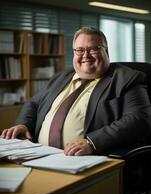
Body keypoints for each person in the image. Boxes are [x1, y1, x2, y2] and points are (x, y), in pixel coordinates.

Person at [1, 26, 151, 156]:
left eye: (93, 49)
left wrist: (93, 143)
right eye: (79, 50)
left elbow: (139, 119)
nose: (85, 55)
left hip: (86, 161)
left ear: (106, 51)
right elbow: (33, 103)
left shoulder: (127, 78)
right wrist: (23, 124)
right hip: (39, 156)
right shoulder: (61, 77)